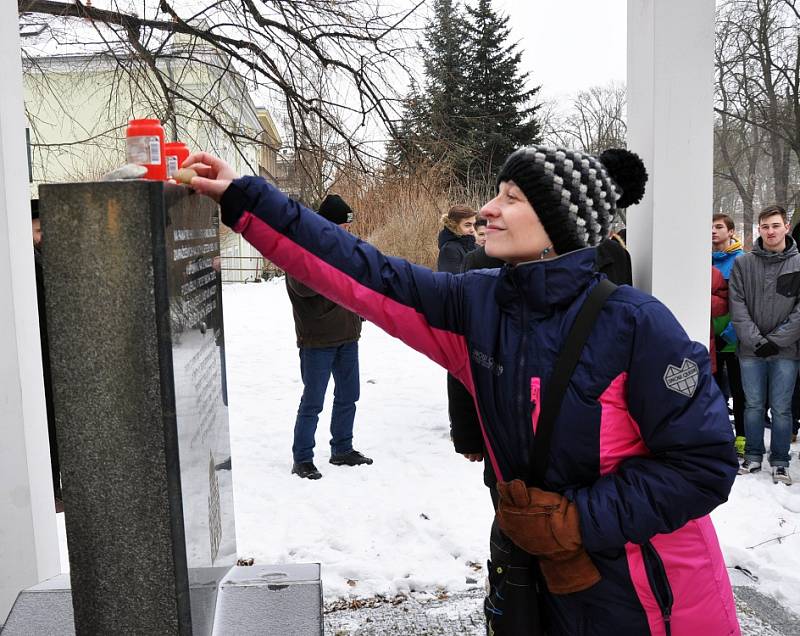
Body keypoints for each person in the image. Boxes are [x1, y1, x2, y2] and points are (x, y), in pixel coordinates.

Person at [183, 145, 739, 635]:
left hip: (653, 598)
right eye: (497, 193)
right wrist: (247, 199)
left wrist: (576, 521)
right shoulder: (476, 304)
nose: (489, 209)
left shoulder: (637, 324)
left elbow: (702, 465)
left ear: (559, 227)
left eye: (513, 197)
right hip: (534, 584)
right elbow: (366, 272)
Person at [285, 194, 372, 480]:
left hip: (348, 336)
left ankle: (342, 449)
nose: (348, 231)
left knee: (349, 395)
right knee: (313, 401)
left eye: (349, 227)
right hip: (317, 340)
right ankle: (303, 458)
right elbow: (304, 287)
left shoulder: (343, 248)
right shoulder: (301, 249)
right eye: (344, 226)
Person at [729, 204, 800, 486]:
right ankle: (753, 455)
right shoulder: (743, 264)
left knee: (782, 409)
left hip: (786, 351)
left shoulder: (798, 263)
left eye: (775, 225)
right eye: (765, 226)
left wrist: (777, 341)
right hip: (751, 351)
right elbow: (737, 304)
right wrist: (757, 340)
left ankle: (781, 461)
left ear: (786, 227)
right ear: (760, 229)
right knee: (753, 405)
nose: (770, 231)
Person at [31, 199, 62, 512]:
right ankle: (51, 487)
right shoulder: (28, 261)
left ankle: (55, 484)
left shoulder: (43, 256)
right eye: (37, 230)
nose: (42, 235)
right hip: (37, 351)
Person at [712, 213, 746, 454]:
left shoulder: (742, 260)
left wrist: (732, 332)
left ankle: (742, 439)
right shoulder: (702, 260)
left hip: (733, 339)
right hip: (709, 339)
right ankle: (718, 437)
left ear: (731, 231)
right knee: (712, 391)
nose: (713, 231)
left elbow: (744, 301)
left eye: (719, 227)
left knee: (739, 390)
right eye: (710, 227)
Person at [436, 204, 476, 273]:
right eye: (467, 225)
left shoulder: (472, 244)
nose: (472, 229)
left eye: (473, 225)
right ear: (454, 225)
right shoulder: (449, 250)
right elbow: (452, 280)